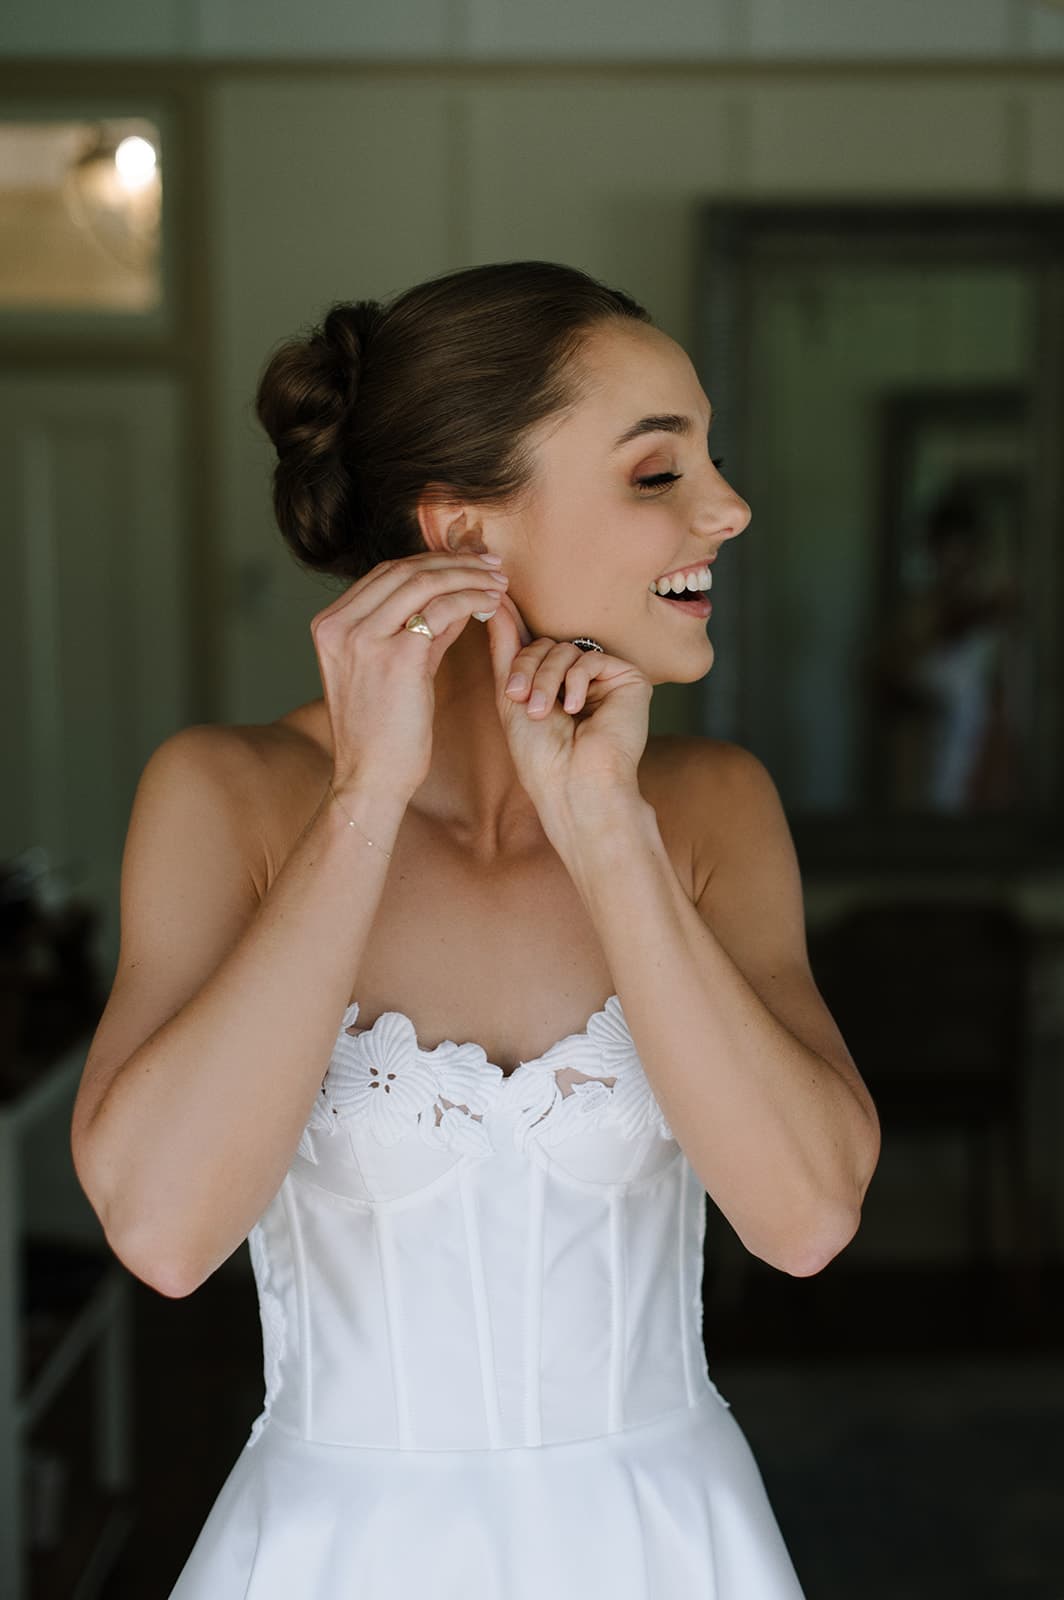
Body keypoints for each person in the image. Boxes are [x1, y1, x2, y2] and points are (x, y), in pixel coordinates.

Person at [71, 260, 880, 1598]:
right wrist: (366, 801)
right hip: (340, 1555)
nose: (728, 510)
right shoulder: (227, 797)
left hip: (666, 1547)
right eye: (654, 472)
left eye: (710, 463)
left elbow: (804, 1220)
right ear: (463, 532)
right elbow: (163, 1234)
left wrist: (607, 828)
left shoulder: (711, 806)